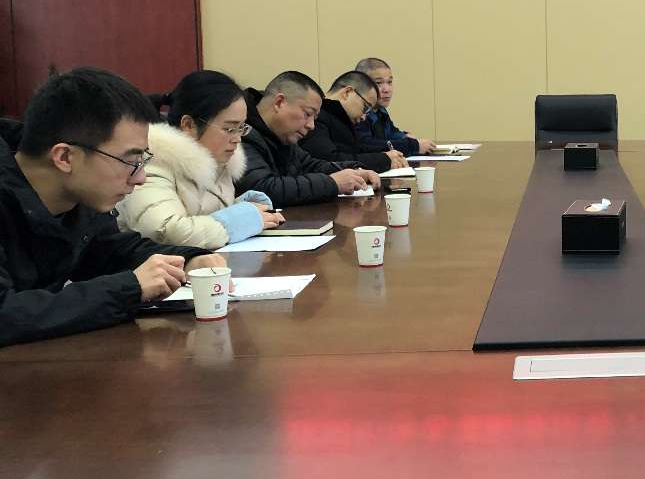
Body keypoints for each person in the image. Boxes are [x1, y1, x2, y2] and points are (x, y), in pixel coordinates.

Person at [0, 67, 229, 348]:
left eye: (143, 161)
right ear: (65, 157)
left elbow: (109, 251)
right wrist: (130, 288)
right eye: (130, 161)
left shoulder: (79, 199)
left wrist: (188, 259)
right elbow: (5, 315)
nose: (140, 177)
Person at [117, 70, 285, 247]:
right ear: (189, 125)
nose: (238, 139)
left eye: (242, 128)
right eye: (229, 129)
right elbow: (164, 231)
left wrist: (244, 209)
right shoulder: (153, 164)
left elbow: (203, 216)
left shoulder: (219, 161)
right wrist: (238, 221)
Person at [238, 71, 381, 207]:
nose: (311, 125)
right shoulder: (241, 133)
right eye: (307, 114)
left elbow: (309, 165)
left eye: (315, 118)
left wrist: (354, 171)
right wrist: (332, 183)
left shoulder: (283, 136)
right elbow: (262, 189)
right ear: (279, 102)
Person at [300, 71, 409, 172]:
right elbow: (328, 160)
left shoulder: (339, 117)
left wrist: (386, 152)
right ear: (347, 92)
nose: (364, 117)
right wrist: (384, 159)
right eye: (366, 108)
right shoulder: (317, 117)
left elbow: (355, 150)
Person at [353, 57, 436, 157]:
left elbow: (392, 133)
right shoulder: (357, 113)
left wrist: (404, 136)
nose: (387, 89)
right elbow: (366, 144)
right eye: (379, 83)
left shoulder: (380, 111)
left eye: (389, 82)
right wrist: (413, 145)